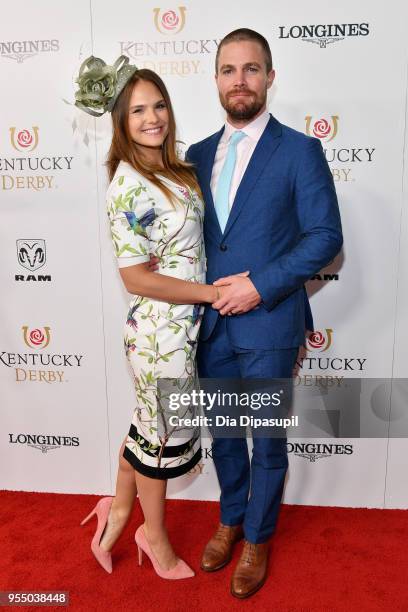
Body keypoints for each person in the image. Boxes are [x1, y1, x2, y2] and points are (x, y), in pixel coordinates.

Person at [185, 29, 343, 598]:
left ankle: (257, 536)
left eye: (252, 69)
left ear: (270, 77)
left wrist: (261, 285)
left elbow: (326, 236)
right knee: (224, 435)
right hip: (209, 324)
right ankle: (229, 520)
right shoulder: (195, 156)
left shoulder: (299, 150)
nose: (240, 81)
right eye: (229, 70)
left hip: (269, 320)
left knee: (266, 440)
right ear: (217, 80)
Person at [74, 55, 238, 579]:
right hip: (158, 337)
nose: (153, 117)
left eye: (159, 105)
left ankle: (118, 511)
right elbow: (136, 279)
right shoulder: (128, 185)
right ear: (120, 121)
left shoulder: (171, 167)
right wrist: (210, 294)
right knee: (159, 442)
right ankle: (156, 538)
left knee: (148, 428)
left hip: (181, 332)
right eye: (138, 110)